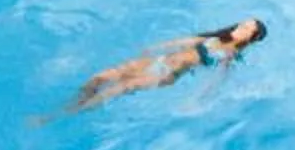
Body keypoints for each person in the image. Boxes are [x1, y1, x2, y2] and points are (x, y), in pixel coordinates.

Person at [63, 18, 267, 113]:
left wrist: (196, 101)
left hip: (167, 73)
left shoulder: (229, 55)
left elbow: (216, 80)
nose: (241, 27)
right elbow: (185, 41)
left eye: (247, 28)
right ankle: (76, 102)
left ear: (251, 38)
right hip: (159, 61)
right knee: (102, 77)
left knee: (120, 87)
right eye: (242, 24)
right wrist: (156, 48)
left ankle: (66, 113)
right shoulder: (216, 37)